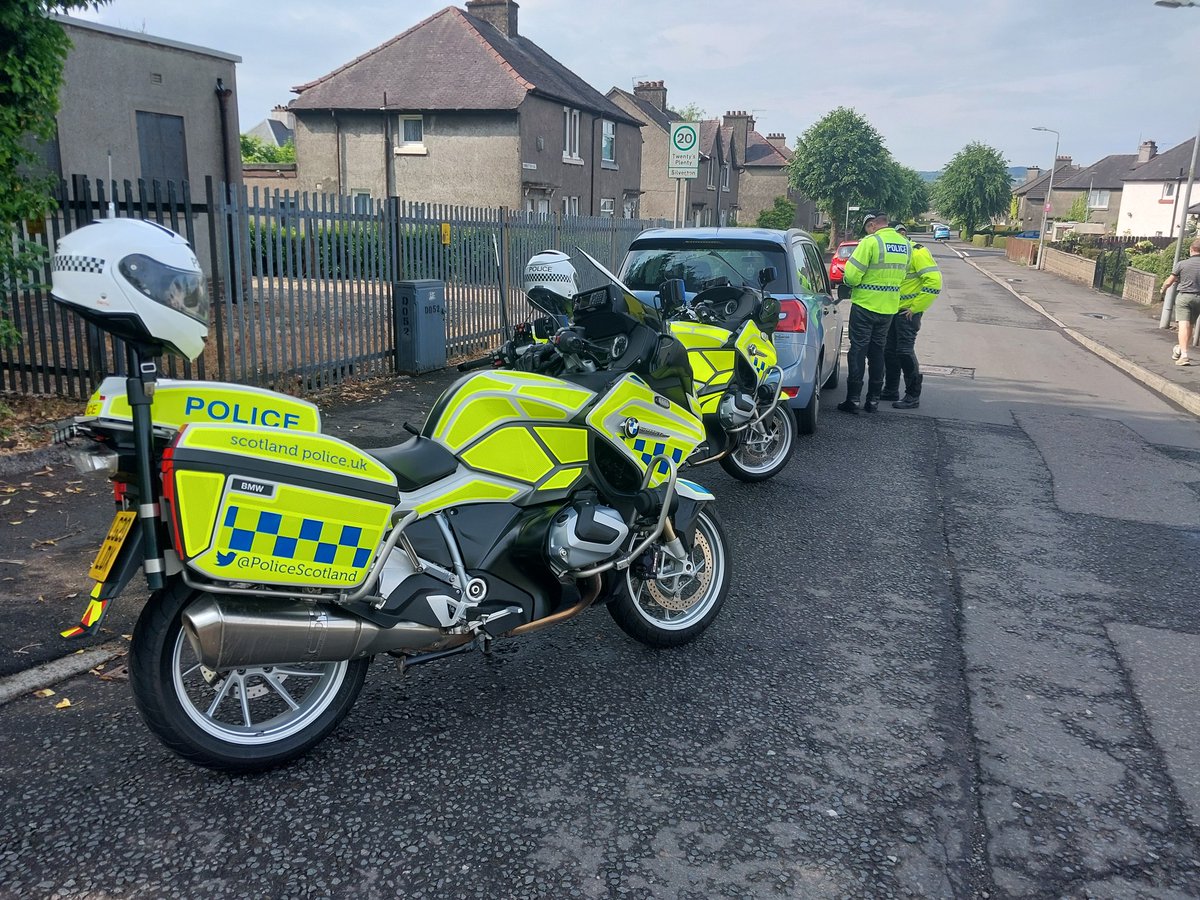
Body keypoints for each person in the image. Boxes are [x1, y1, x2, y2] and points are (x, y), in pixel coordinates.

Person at [837, 211, 911, 414]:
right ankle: (874, 401)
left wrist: (850, 282)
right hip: (888, 308)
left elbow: (851, 276)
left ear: (872, 225)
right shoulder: (905, 244)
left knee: (858, 350)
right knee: (878, 351)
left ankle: (853, 400)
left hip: (865, 305)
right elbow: (903, 275)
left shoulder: (870, 242)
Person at [882, 223, 942, 409]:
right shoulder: (896, 253)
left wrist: (915, 308)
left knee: (904, 351)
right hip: (892, 309)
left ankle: (912, 395)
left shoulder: (917, 252)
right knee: (889, 351)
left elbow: (934, 282)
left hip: (907, 312)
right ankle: (891, 389)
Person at [1160, 238, 1200, 366]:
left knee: (1183, 325)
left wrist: (1163, 289)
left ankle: (1184, 355)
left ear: (1191, 250)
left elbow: (1169, 281)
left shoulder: (1182, 264)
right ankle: (1179, 349)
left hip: (1184, 297)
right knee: (1191, 326)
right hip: (1198, 298)